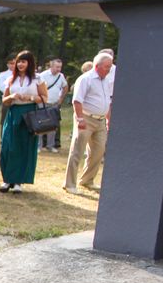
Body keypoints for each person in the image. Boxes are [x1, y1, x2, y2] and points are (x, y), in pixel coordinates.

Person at [63, 52, 114, 195]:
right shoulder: (85, 79)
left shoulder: (106, 80)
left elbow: (107, 101)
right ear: (97, 66)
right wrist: (80, 119)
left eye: (110, 67)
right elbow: (77, 100)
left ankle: (87, 180)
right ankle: (69, 184)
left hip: (101, 120)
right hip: (86, 118)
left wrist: (108, 118)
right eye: (107, 67)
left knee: (98, 152)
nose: (109, 70)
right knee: (77, 151)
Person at [0, 50, 47, 194]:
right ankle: (7, 179)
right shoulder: (10, 79)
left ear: (29, 63)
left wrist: (30, 98)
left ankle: (19, 181)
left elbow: (45, 97)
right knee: (8, 146)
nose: (20, 64)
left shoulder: (37, 79)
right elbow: (4, 100)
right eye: (18, 61)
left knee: (23, 147)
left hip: (29, 114)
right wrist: (12, 96)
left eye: (23, 61)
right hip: (13, 114)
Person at [37, 58, 67, 152]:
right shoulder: (42, 75)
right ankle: (39, 146)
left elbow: (65, 87)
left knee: (52, 126)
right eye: (57, 67)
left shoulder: (61, 76)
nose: (59, 69)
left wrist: (61, 99)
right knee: (41, 125)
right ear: (51, 66)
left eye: (60, 67)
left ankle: (50, 145)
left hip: (54, 104)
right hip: (43, 103)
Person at [0, 56, 16, 131]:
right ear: (7, 64)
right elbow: (2, 88)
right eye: (10, 63)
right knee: (4, 121)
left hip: (19, 101)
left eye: (14, 63)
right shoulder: (3, 74)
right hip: (7, 100)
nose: (12, 65)